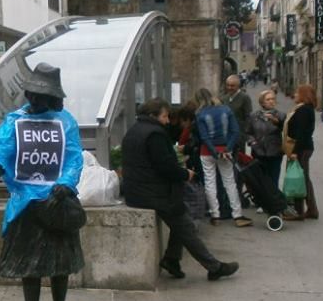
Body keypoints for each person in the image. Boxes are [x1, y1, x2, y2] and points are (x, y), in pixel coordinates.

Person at [0, 63, 85, 301]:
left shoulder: (65, 122)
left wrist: (67, 183)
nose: (36, 100)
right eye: (33, 94)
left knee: (61, 265)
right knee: (30, 267)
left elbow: (74, 158)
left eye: (43, 96)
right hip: (27, 206)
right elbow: (3, 154)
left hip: (57, 203)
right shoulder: (15, 121)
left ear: (53, 98)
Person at [121, 97, 238, 281]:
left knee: (180, 219)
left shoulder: (134, 130)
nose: (168, 121)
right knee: (185, 225)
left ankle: (172, 259)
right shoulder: (155, 134)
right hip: (154, 193)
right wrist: (186, 174)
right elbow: (166, 166)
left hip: (137, 191)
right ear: (154, 116)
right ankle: (213, 266)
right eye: (165, 116)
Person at [195, 88, 253, 227]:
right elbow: (235, 131)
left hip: (207, 152)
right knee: (230, 182)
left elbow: (204, 137)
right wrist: (228, 148)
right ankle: (237, 215)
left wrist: (214, 151)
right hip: (225, 150)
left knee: (210, 182)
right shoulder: (226, 110)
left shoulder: (200, 113)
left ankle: (215, 215)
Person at [283, 83, 318, 221]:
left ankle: (299, 211)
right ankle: (311, 209)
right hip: (305, 147)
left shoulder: (303, 110)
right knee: (303, 178)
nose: (295, 95)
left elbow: (301, 133)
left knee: (298, 179)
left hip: (301, 149)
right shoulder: (305, 109)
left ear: (303, 95)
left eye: (297, 93)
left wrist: (295, 152)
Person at [245, 89, 286, 192]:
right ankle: (262, 202)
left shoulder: (281, 115)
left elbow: (285, 129)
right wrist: (253, 143)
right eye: (268, 99)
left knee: (273, 178)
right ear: (262, 102)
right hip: (258, 151)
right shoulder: (254, 116)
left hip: (274, 151)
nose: (271, 101)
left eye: (273, 99)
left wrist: (276, 121)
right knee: (260, 179)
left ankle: (274, 204)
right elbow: (248, 132)